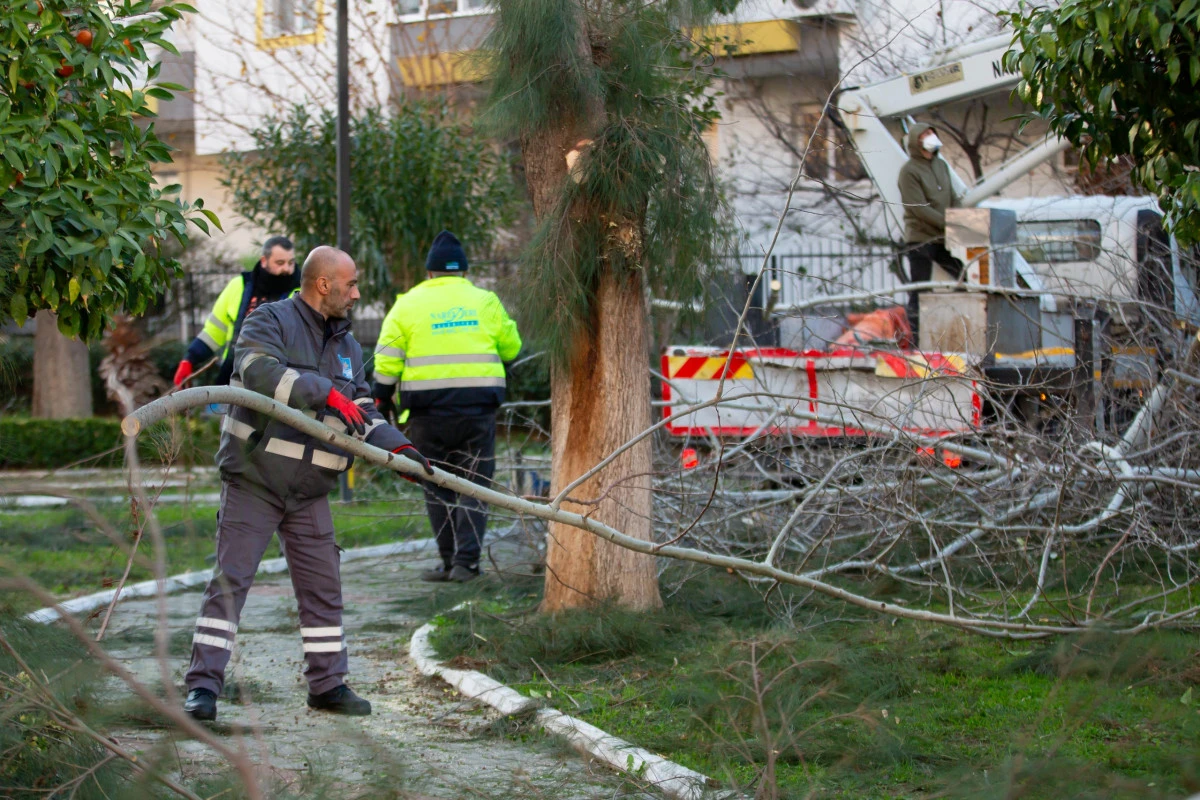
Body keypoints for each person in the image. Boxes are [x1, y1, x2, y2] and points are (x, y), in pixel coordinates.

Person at [182, 246, 434, 722]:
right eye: (352, 284)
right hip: (255, 480)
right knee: (230, 584)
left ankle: (327, 685)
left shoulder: (347, 345)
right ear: (324, 284)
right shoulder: (269, 321)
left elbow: (363, 412)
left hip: (309, 491)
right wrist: (325, 392)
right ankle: (202, 689)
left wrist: (399, 449)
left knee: (323, 589)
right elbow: (257, 371)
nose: (357, 293)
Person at [371, 231, 522, 583]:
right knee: (474, 484)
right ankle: (465, 565)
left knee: (436, 485)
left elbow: (386, 361)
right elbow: (512, 349)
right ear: (465, 273)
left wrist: (381, 399)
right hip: (477, 411)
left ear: (429, 273)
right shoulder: (486, 301)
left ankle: (447, 559)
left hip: (427, 414)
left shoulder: (406, 304)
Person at [173, 236, 301, 388]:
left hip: (279, 382)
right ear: (264, 261)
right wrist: (189, 359)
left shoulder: (300, 293)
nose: (286, 269)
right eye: (280, 263)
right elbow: (214, 332)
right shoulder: (238, 286)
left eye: (291, 263)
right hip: (232, 377)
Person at [898, 123, 964, 342]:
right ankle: (916, 340)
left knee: (964, 276)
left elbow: (953, 195)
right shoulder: (909, 171)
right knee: (920, 290)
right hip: (920, 239)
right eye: (925, 134)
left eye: (932, 132)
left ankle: (962, 329)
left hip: (942, 238)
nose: (931, 137)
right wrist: (950, 223)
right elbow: (918, 208)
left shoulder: (941, 166)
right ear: (917, 141)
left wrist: (956, 218)